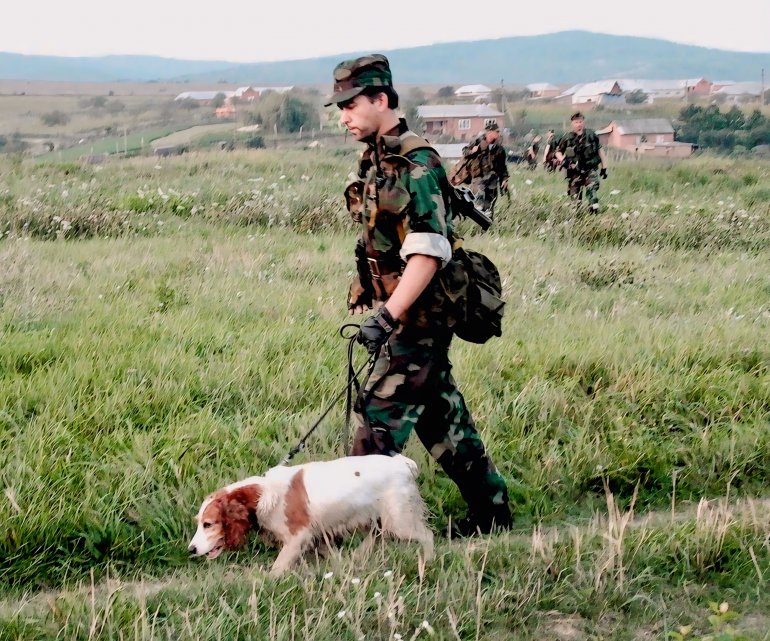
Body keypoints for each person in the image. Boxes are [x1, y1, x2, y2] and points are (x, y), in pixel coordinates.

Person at [325, 53, 511, 536]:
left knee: (376, 425)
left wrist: (390, 314)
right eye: (339, 106)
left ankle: (345, 536)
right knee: (441, 417)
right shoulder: (375, 159)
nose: (343, 115)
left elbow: (429, 252)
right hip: (405, 315)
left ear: (381, 100)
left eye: (350, 104)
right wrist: (364, 290)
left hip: (421, 319)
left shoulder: (418, 163)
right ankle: (492, 513)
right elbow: (379, 239)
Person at [555, 112, 608, 211]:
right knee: (575, 199)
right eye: (576, 122)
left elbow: (600, 151)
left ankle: (593, 212)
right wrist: (563, 160)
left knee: (592, 192)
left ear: (583, 122)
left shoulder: (591, 135)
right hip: (574, 171)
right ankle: (577, 217)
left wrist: (604, 168)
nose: (579, 124)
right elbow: (558, 152)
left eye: (580, 121)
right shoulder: (567, 137)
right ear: (572, 124)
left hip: (590, 169)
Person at [452, 122, 509, 215]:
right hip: (478, 178)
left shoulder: (499, 148)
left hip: (492, 180)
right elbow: (465, 151)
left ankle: (488, 224)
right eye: (497, 131)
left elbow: (502, 166)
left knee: (489, 206)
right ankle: (478, 223)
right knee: (477, 204)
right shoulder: (477, 142)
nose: (499, 134)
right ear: (490, 132)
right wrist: (472, 151)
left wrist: (505, 179)